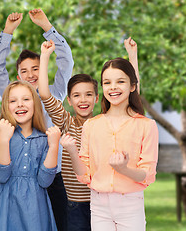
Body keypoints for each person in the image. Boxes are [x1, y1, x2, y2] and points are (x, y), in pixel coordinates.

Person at [38, 38, 139, 230]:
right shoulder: (66, 123)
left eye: (88, 94)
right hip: (74, 204)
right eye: (76, 95)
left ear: (96, 98)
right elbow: (44, 94)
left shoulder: (105, 123)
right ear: (69, 100)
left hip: (103, 202)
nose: (82, 100)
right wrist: (45, 57)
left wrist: (132, 56)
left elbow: (132, 97)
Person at [0, 9, 73, 230]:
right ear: (18, 77)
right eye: (24, 71)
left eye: (36, 68)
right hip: (16, 179)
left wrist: (47, 27)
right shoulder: (13, 96)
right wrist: (7, 32)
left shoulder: (54, 94)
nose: (31, 75)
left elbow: (66, 61)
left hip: (51, 176)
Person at [61, 57, 158, 231]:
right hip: (98, 205)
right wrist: (72, 151)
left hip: (130, 204)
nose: (113, 87)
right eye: (107, 82)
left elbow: (147, 174)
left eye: (120, 81)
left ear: (133, 86)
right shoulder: (91, 125)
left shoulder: (146, 125)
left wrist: (124, 169)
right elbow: (85, 175)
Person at [0, 81, 61, 231]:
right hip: (5, 206)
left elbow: (45, 181)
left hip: (35, 209)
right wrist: (4, 140)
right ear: (6, 106)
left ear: (35, 104)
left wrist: (53, 146)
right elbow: (1, 175)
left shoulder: (44, 139)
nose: (20, 104)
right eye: (13, 101)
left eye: (26, 99)